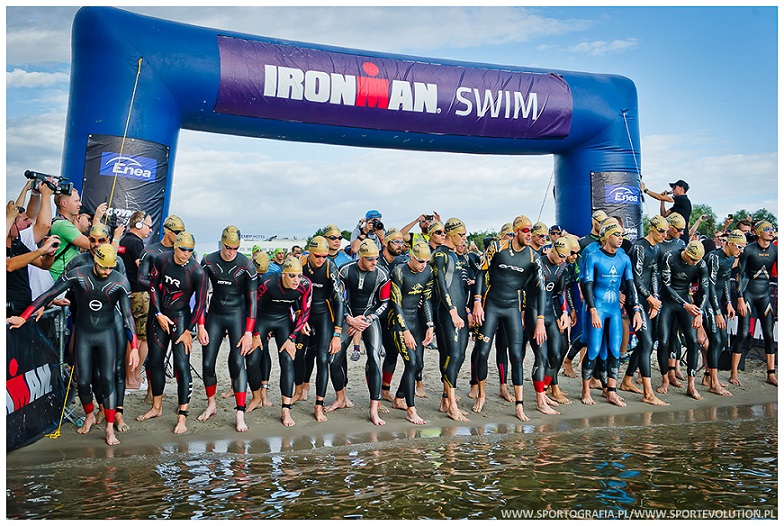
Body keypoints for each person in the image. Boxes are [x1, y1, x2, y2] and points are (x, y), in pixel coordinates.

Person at [8, 244, 140, 446]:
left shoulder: (120, 282)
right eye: (103, 267)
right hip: (85, 334)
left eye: (110, 268)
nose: (107, 271)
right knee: (83, 380)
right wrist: (25, 317)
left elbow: (128, 316)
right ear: (95, 261)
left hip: (106, 335)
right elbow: (49, 294)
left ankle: (109, 428)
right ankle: (89, 415)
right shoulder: (78, 274)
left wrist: (135, 348)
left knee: (108, 379)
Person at [137, 232, 208, 434]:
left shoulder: (197, 271)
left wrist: (188, 330)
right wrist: (158, 313)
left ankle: (182, 417)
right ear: (175, 247)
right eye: (182, 249)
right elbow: (153, 287)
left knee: (182, 365)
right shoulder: (162, 259)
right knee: (155, 361)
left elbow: (200, 304)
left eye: (190, 250)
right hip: (160, 316)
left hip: (181, 318)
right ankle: (156, 407)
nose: (186, 253)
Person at [197, 226, 257, 432]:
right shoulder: (208, 261)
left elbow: (253, 302)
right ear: (221, 243)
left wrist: (248, 332)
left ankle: (240, 413)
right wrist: (201, 324)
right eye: (227, 247)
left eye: (235, 248)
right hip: (215, 315)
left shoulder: (246, 265)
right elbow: (201, 296)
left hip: (237, 316)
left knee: (237, 362)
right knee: (207, 362)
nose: (231, 252)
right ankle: (211, 405)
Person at [580, 222, 643, 407]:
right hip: (598, 307)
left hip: (614, 309)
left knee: (615, 350)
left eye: (622, 234)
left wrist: (636, 309)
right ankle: (586, 391)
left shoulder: (624, 258)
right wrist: (592, 310)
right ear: (607, 236)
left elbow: (631, 285)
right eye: (616, 234)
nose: (620, 238)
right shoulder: (593, 257)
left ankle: (612, 391)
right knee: (594, 349)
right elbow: (587, 285)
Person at [249, 257, 312, 426]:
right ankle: (256, 398)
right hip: (263, 318)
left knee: (287, 360)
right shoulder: (268, 282)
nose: (296, 280)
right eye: (292, 276)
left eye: (299, 275)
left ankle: (286, 410)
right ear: (283, 274)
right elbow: (252, 307)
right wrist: (255, 334)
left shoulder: (305, 284)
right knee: (252, 360)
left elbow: (305, 312)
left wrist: (292, 337)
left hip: (283, 320)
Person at [334, 239, 391, 425]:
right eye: (370, 259)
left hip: (369, 319)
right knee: (334, 359)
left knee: (374, 358)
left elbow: (384, 303)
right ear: (361, 257)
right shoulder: (345, 270)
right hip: (349, 318)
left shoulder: (382, 274)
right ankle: (341, 398)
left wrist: (368, 319)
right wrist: (349, 318)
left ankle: (374, 409)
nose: (375, 262)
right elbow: (338, 299)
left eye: (376, 258)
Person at [618, 215, 669, 406]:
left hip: (647, 299)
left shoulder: (655, 248)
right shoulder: (639, 247)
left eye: (666, 231)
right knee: (646, 342)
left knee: (647, 341)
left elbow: (654, 274)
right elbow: (635, 277)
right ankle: (648, 393)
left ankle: (627, 380)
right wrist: (649, 299)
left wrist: (654, 298)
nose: (665, 235)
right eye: (662, 231)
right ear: (652, 229)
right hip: (635, 299)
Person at [294, 236, 344, 423]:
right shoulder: (300, 263)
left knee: (322, 359)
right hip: (305, 313)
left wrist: (337, 334)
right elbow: (293, 293)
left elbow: (339, 302)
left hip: (324, 314)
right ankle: (299, 390)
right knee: (298, 355)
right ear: (310, 252)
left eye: (325, 256)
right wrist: (300, 316)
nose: (321, 259)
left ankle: (318, 405)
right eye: (318, 256)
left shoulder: (330, 267)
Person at [387, 241, 435, 425]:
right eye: (421, 261)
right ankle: (411, 410)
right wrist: (405, 330)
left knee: (419, 365)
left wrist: (430, 325)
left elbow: (427, 300)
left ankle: (399, 398)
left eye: (426, 261)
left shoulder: (428, 272)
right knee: (411, 362)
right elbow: (396, 303)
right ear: (412, 258)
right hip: (398, 322)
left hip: (415, 321)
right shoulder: (399, 271)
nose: (424, 265)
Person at [657, 240, 710, 400]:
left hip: (685, 301)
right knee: (664, 342)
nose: (694, 263)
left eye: (697, 260)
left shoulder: (700, 264)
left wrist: (700, 312)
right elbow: (666, 286)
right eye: (692, 259)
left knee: (693, 341)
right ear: (686, 253)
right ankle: (665, 380)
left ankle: (691, 385)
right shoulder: (670, 257)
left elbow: (705, 289)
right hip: (668, 301)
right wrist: (684, 304)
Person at [731, 221, 778, 386]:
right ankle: (734, 372)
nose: (771, 232)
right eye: (767, 229)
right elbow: (739, 275)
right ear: (758, 233)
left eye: (772, 229)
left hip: (765, 295)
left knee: (769, 334)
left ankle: (770, 374)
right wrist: (740, 299)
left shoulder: (775, 250)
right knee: (743, 333)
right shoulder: (749, 250)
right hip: (749, 294)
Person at [704, 230, 746, 396]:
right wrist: (717, 312)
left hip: (717, 302)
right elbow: (710, 286)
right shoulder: (714, 257)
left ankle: (708, 377)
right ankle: (713, 383)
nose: (741, 250)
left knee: (721, 340)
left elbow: (726, 282)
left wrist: (728, 303)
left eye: (743, 247)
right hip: (706, 301)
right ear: (729, 244)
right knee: (716, 339)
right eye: (739, 247)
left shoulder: (730, 258)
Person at [118, 210, 154, 390]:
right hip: (139, 294)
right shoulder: (136, 243)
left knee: (131, 336)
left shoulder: (123, 241)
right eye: (148, 226)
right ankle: (133, 378)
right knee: (141, 338)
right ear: (139, 224)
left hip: (127, 293)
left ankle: (132, 376)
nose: (150, 230)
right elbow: (144, 268)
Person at [6, 203, 59, 316]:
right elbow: (9, 265)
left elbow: (43, 264)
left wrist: (50, 253)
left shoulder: (17, 245)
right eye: (15, 222)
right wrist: (41, 250)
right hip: (8, 310)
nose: (29, 223)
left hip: (22, 308)